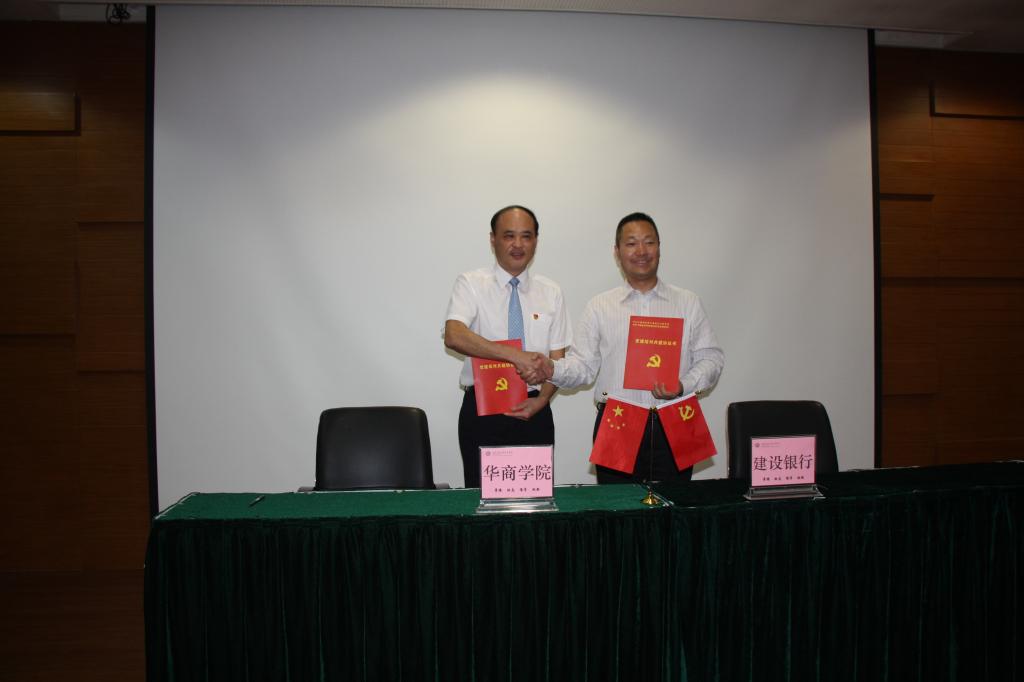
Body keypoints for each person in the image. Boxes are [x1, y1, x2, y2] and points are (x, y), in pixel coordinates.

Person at [546, 211, 724, 484]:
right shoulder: (600, 306)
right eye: (631, 243)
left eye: (649, 242)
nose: (641, 251)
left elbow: (712, 359)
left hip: (677, 419)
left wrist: (683, 385)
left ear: (659, 248)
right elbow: (582, 367)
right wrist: (549, 368)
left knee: (674, 506)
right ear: (617, 252)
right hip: (618, 421)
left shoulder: (688, 302)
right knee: (618, 508)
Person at [443, 205, 571, 487]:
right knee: (483, 498)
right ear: (493, 239)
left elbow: (558, 359)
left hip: (535, 408)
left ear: (536, 241)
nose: (518, 244)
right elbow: (454, 335)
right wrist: (515, 356)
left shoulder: (551, 291)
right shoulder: (471, 284)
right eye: (509, 236)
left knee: (534, 500)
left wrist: (542, 400)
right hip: (483, 410)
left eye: (526, 236)